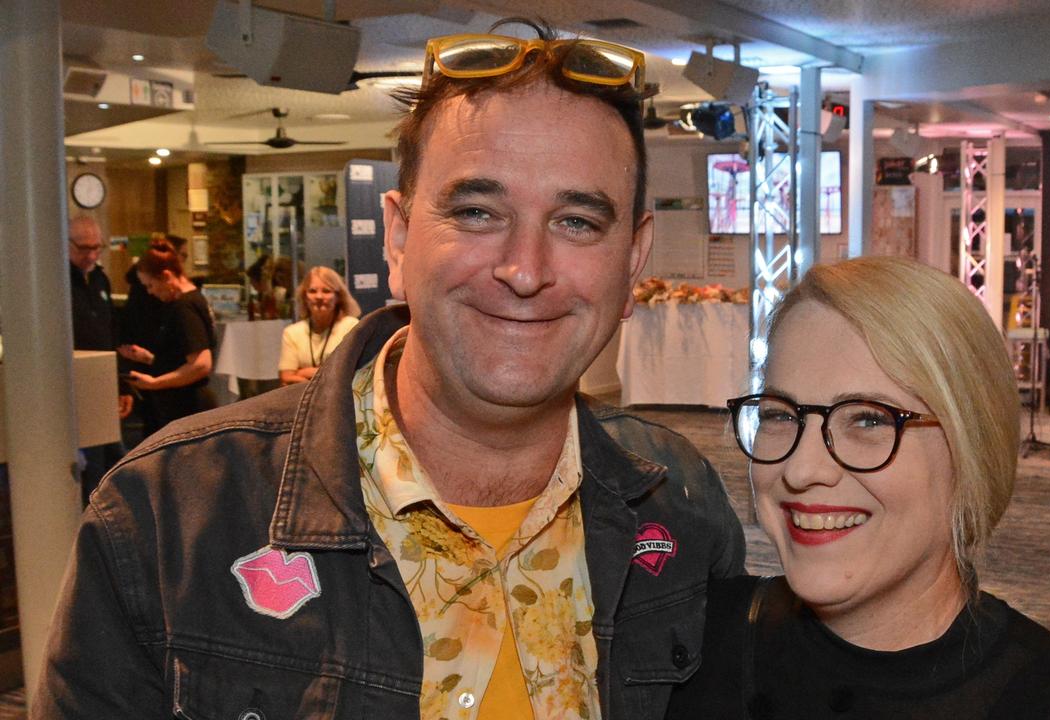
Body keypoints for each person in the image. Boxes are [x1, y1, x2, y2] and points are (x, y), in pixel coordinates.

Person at [38, 19, 745, 720]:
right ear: (399, 239)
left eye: (577, 223)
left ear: (632, 260)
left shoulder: (682, 506)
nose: (525, 270)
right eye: (476, 211)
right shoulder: (171, 514)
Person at [667, 257, 1050, 720]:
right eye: (779, 415)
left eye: (869, 419)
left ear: (972, 448)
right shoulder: (680, 648)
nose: (801, 468)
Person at [116, 239, 218, 430]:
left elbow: (201, 364)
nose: (150, 292)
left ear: (166, 276)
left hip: (188, 407)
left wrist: (155, 383)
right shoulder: (192, 299)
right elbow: (183, 356)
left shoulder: (184, 307)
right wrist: (149, 359)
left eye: (151, 285)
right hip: (186, 405)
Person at [67, 215, 132, 505]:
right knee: (89, 465)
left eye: (97, 248)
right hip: (73, 385)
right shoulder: (54, 280)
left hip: (102, 382)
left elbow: (110, 335)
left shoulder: (99, 278)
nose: (91, 255)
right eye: (83, 248)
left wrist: (122, 384)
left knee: (113, 463)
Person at [278, 265, 361, 385]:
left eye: (326, 291)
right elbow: (286, 378)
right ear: (304, 296)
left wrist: (302, 373)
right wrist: (326, 378)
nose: (319, 297)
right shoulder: (292, 332)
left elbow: (351, 373)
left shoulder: (351, 327)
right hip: (300, 401)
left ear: (338, 296)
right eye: (312, 291)